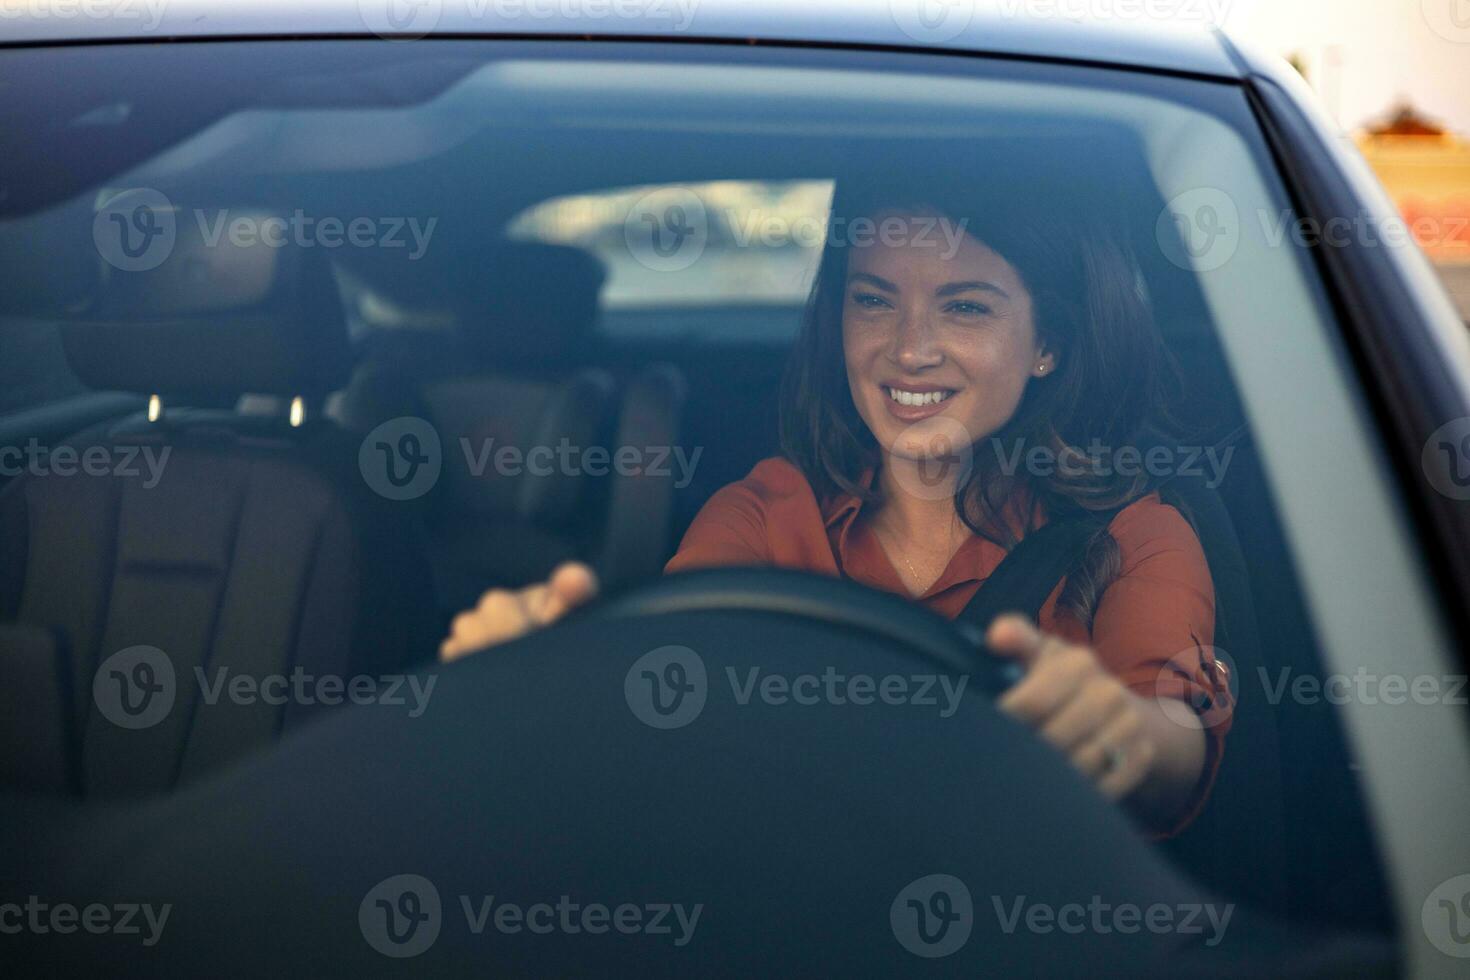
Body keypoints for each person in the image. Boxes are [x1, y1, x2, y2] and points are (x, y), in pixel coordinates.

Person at [439, 183, 1232, 836]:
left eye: (964, 308)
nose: (909, 349)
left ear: (1047, 344)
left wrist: (1114, 730)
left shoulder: (1134, 535)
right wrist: (537, 681)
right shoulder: (765, 513)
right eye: (874, 300)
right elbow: (661, 705)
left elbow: (1170, 737)